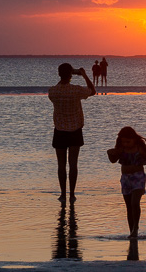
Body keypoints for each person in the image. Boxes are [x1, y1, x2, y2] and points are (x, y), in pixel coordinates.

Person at [48, 63, 96, 204]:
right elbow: (93, 90)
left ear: (59, 74)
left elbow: (59, 85)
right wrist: (83, 75)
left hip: (60, 131)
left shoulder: (53, 91)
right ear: (71, 75)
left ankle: (63, 194)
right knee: (73, 165)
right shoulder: (76, 90)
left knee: (61, 165)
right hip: (75, 130)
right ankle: (72, 194)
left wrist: (67, 76)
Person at [107, 126, 146, 238]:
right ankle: (132, 231)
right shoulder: (121, 148)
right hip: (125, 179)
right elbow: (113, 161)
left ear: (134, 139)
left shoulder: (140, 148)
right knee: (128, 206)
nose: (126, 144)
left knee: (134, 202)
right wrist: (109, 153)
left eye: (128, 141)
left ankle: (136, 228)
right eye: (124, 142)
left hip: (138, 178)